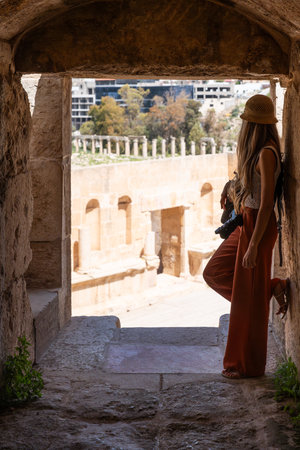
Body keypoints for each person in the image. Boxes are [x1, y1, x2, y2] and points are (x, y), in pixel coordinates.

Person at [203, 94, 289, 379]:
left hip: (259, 229)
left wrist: (253, 246)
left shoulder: (266, 153)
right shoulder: (257, 153)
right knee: (214, 273)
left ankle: (247, 365)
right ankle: (271, 288)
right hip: (246, 223)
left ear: (251, 124)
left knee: (246, 299)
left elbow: (266, 204)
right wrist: (232, 188)